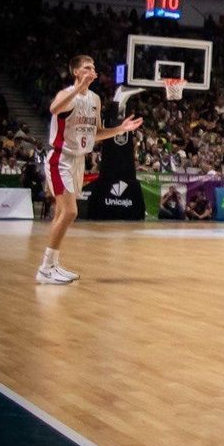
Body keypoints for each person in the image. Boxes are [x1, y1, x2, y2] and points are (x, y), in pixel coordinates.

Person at [37, 54, 143, 285]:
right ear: (76, 72)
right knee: (71, 212)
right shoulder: (67, 94)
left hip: (78, 160)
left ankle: (52, 265)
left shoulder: (95, 99)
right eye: (86, 67)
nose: (92, 70)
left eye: (93, 67)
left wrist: (119, 129)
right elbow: (54, 109)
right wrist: (79, 88)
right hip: (60, 158)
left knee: (60, 214)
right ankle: (45, 268)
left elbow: (96, 134)